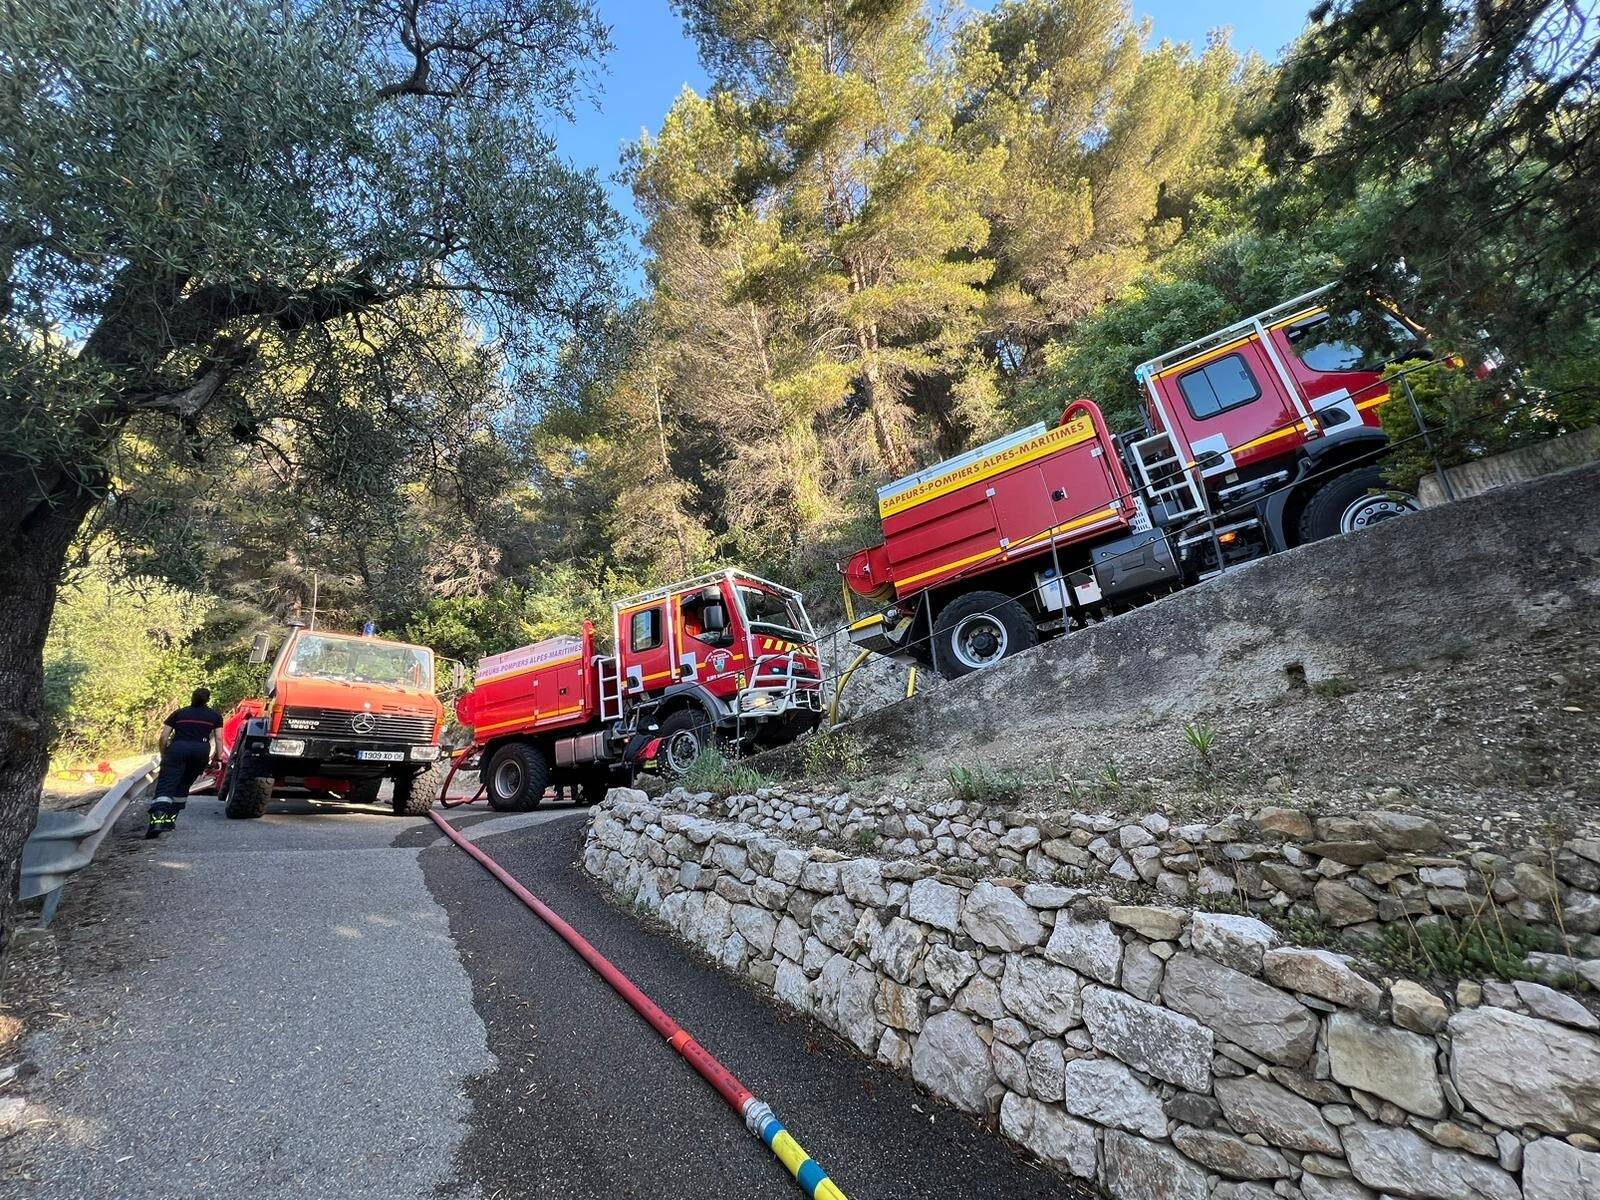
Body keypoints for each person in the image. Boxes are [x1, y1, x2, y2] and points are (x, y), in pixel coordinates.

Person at [147, 687, 224, 839]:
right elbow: (219, 738)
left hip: (177, 750)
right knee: (184, 784)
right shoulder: (215, 716)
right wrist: (218, 758)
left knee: (166, 784)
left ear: (192, 698)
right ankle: (170, 820)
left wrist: (164, 753)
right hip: (200, 752)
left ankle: (157, 821)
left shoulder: (179, 713)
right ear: (207, 700)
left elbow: (163, 737)